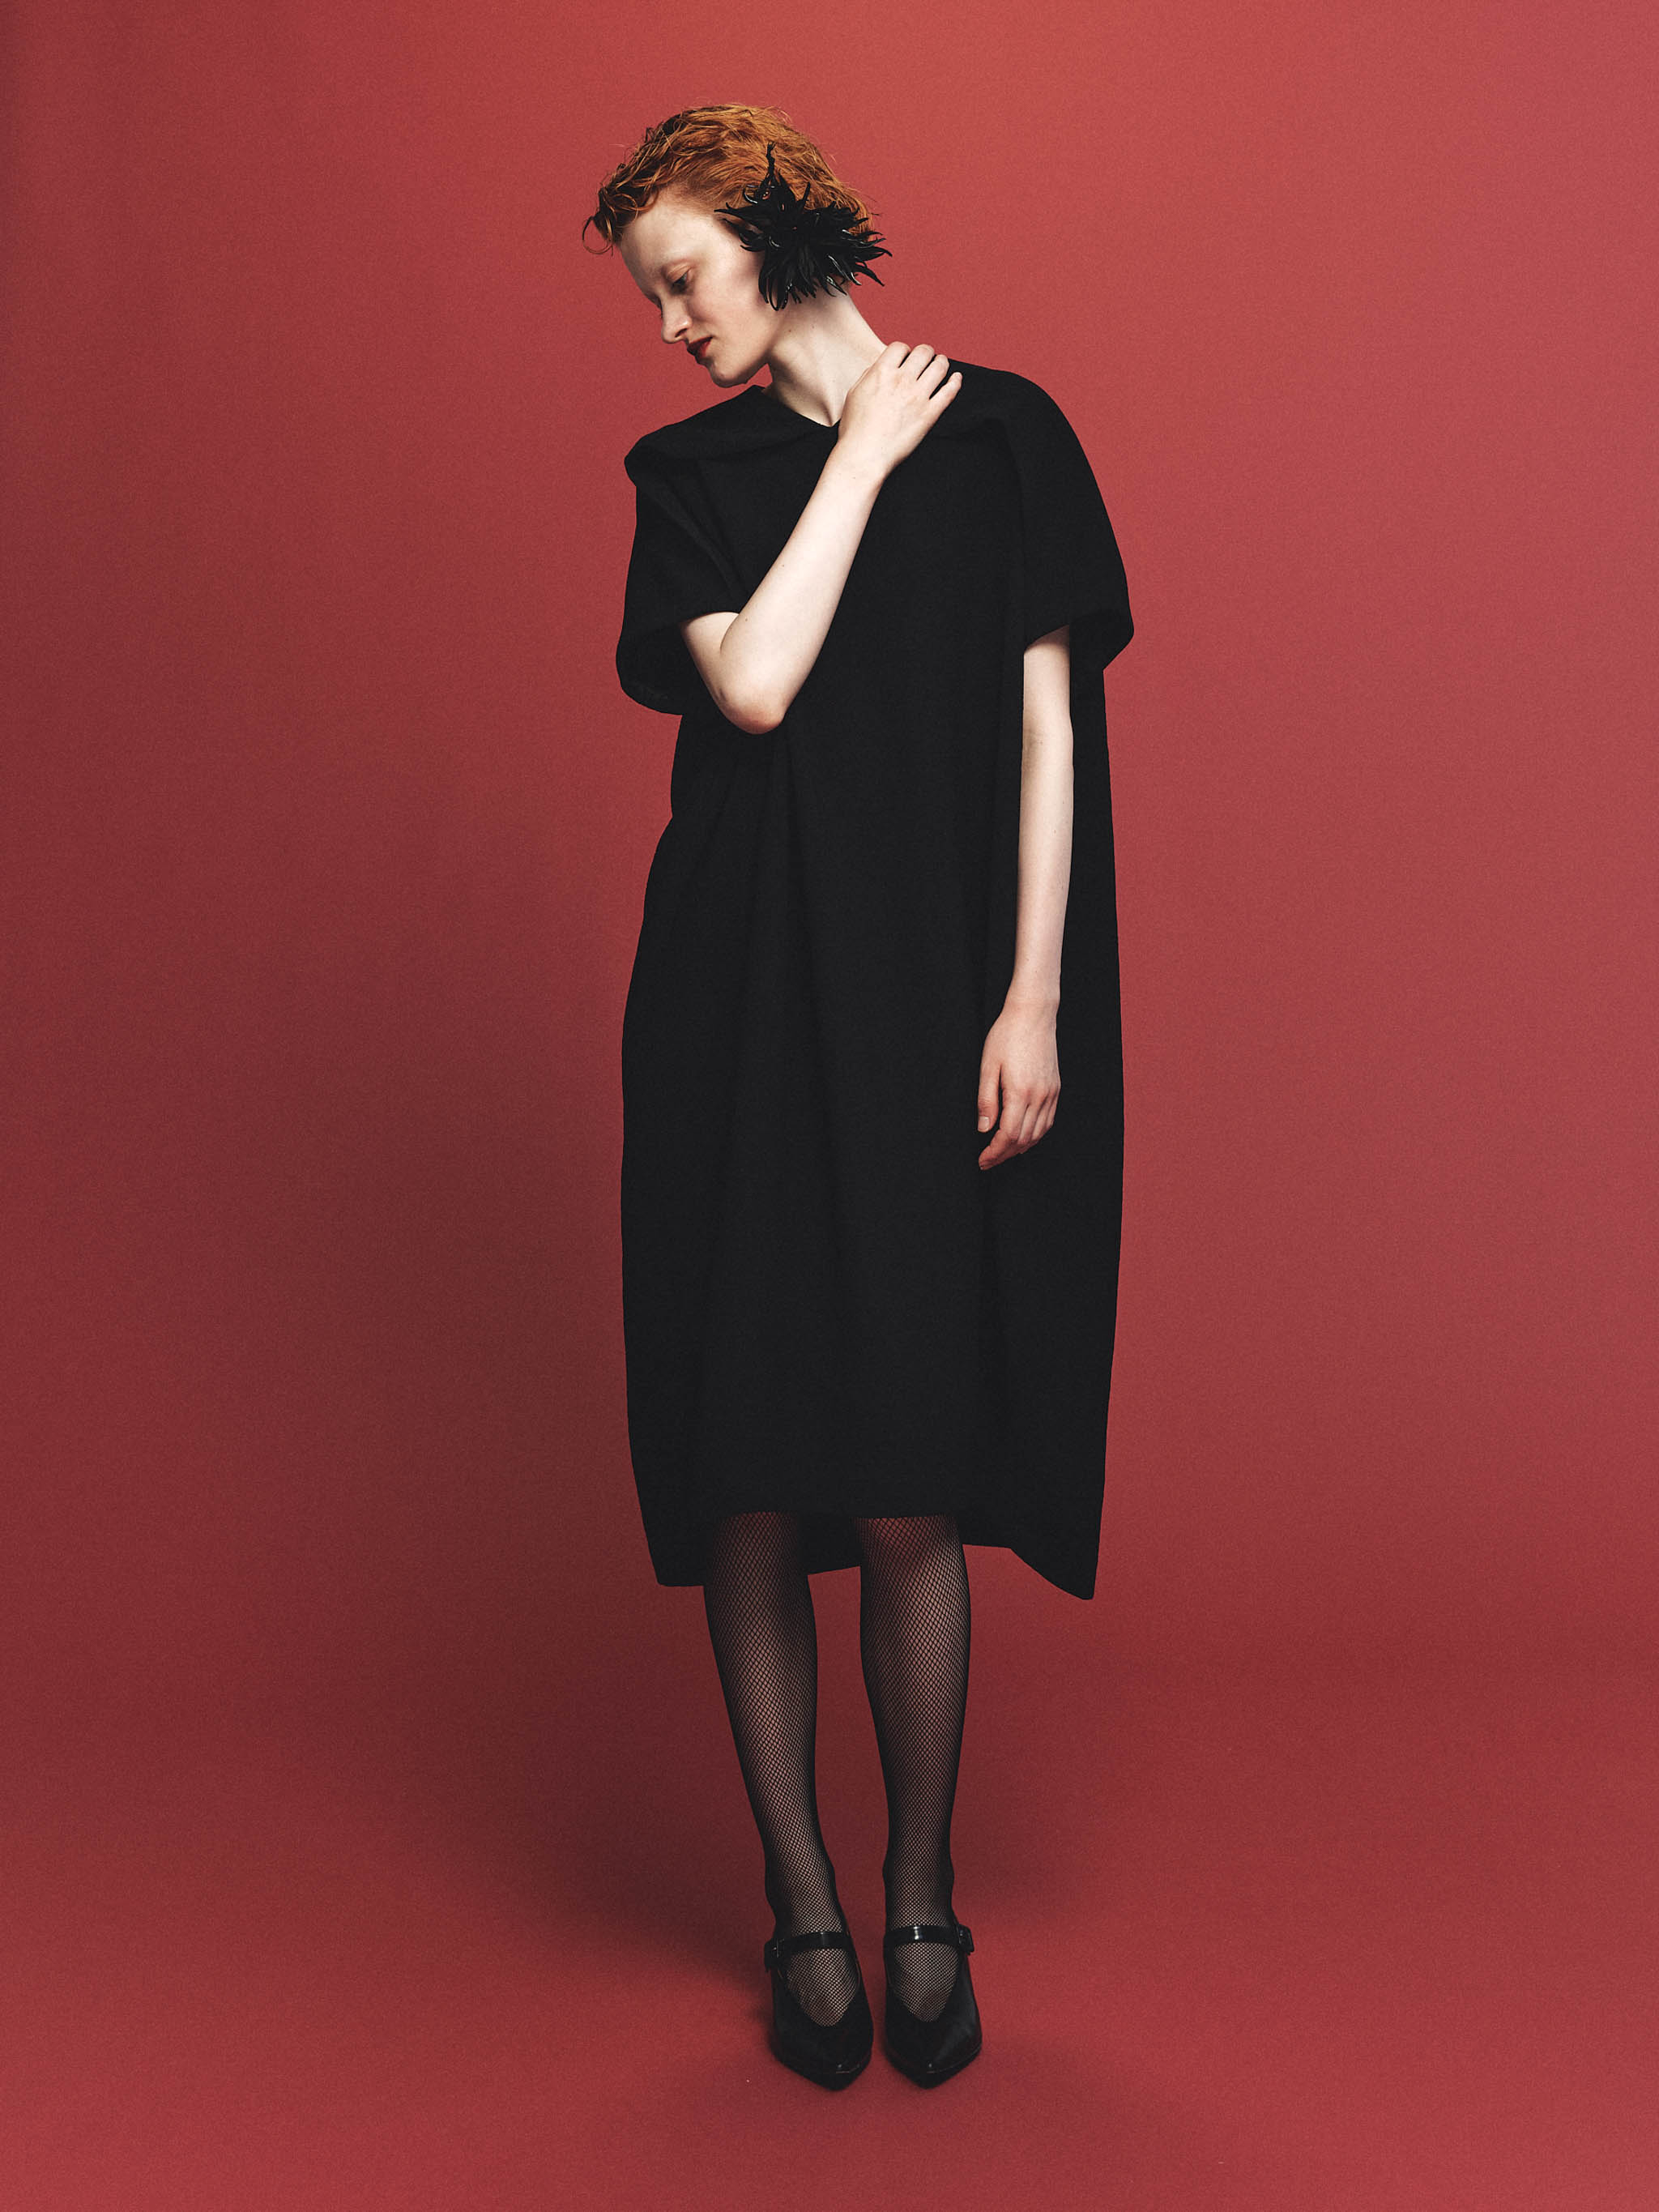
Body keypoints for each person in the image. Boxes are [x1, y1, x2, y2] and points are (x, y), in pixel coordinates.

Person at [585, 104, 1133, 2090]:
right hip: (732, 1006)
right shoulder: (690, 479)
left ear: (770, 227)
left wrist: (1033, 998)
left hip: (926, 1003)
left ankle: (918, 1893)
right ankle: (801, 1900)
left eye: (682, 278)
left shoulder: (1010, 439)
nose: (668, 326)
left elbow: (1047, 732)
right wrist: (855, 459)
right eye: (651, 298)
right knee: (748, 1468)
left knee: (909, 1469)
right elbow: (753, 686)